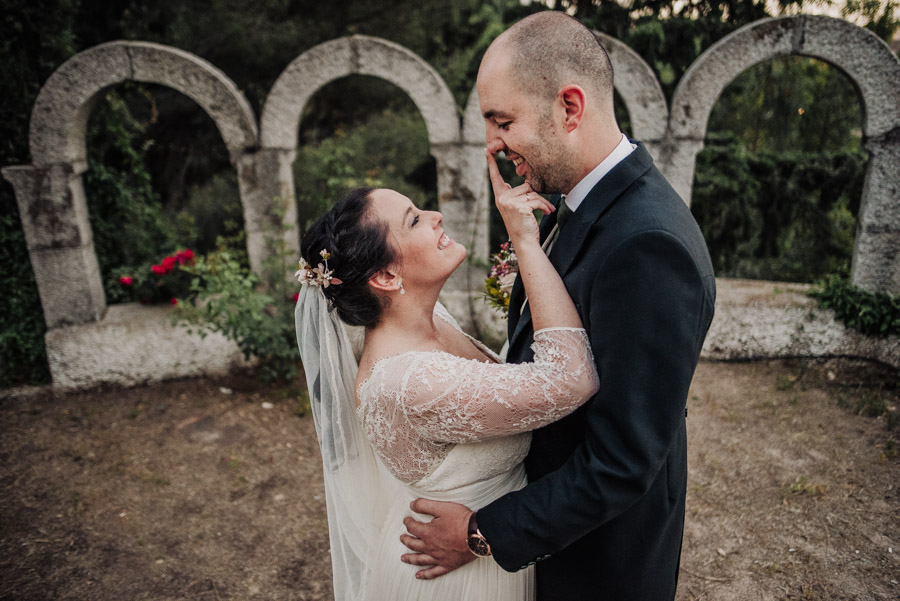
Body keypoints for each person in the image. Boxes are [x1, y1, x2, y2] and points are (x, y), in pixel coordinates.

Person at [399, 11, 717, 601]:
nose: (492, 144)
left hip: (598, 564)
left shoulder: (649, 246)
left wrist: (479, 532)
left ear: (570, 107)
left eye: (502, 121)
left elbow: (622, 459)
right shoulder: (580, 205)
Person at [295, 173, 599, 599]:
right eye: (414, 220)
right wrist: (525, 241)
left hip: (491, 546)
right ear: (384, 276)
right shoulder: (412, 382)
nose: (436, 216)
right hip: (460, 578)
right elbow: (571, 379)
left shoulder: (430, 319)